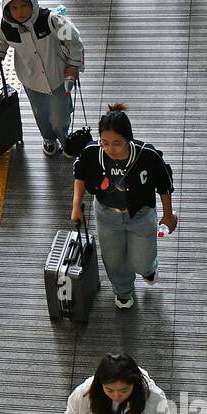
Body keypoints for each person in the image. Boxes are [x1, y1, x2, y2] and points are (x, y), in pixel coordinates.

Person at [71, 104, 176, 308]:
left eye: (117, 143)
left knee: (142, 260)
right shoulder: (92, 153)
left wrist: (168, 214)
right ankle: (123, 291)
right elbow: (80, 176)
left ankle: (148, 268)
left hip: (141, 214)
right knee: (113, 259)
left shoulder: (147, 155)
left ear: (128, 138)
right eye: (105, 143)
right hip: (106, 215)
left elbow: (164, 184)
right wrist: (76, 206)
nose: (110, 149)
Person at [0, 0, 84, 156]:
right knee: (40, 115)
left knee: (59, 117)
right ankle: (48, 139)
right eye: (14, 8)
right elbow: (2, 41)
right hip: (31, 80)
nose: (20, 12)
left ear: (32, 3)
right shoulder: (7, 27)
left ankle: (65, 139)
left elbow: (74, 41)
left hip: (58, 78)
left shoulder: (52, 21)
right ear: (7, 10)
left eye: (24, 6)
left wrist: (73, 66)